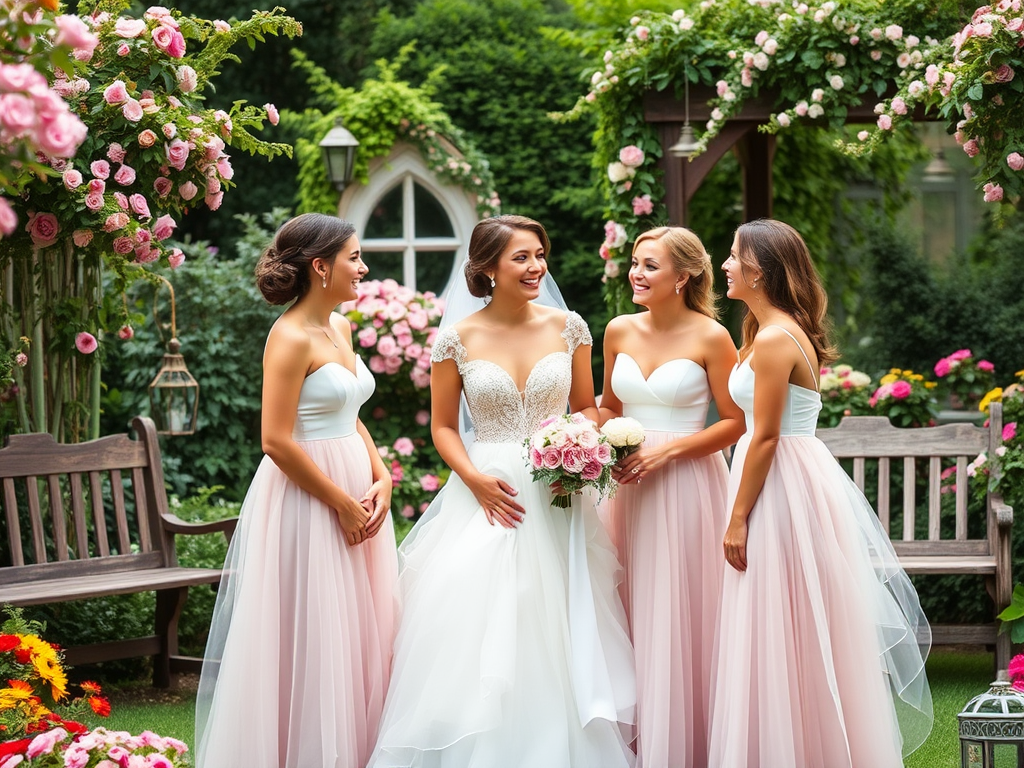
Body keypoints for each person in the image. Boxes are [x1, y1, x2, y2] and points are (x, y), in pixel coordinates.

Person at [369, 215, 636, 768]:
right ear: (488, 267)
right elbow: (443, 426)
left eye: (540, 254)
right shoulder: (456, 339)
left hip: (557, 488)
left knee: (559, 616)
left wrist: (582, 442)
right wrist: (472, 478)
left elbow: (587, 405)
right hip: (488, 489)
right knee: (485, 613)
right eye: (521, 257)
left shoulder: (569, 327)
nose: (536, 266)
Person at [709, 219, 932, 767]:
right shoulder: (775, 330)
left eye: (735, 257)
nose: (726, 266)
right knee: (793, 619)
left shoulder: (775, 338)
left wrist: (737, 518)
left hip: (779, 481)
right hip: (793, 474)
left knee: (780, 616)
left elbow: (762, 435)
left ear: (759, 270)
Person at [195, 213, 399, 768]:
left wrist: (379, 475)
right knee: (314, 631)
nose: (363, 267)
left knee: (362, 628)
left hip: (358, 490)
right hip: (310, 500)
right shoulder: (287, 337)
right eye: (354, 257)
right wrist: (340, 503)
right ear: (320, 266)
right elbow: (276, 440)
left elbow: (350, 414)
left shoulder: (341, 327)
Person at [598, 227, 745, 768]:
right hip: (626, 485)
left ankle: (691, 739)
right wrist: (590, 441)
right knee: (626, 598)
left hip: (688, 484)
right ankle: (631, 740)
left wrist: (668, 452)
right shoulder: (616, 331)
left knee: (683, 602)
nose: (636, 273)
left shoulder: (711, 336)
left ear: (682, 277)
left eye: (650, 266)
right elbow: (610, 407)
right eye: (635, 263)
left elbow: (735, 422)